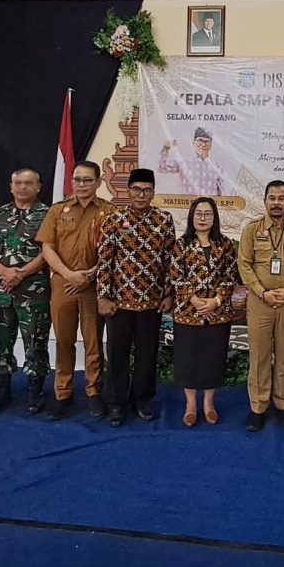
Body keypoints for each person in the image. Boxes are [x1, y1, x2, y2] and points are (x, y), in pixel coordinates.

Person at [96, 168, 175, 427]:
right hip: (119, 302)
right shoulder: (114, 219)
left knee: (146, 354)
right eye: (137, 189)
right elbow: (105, 260)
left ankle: (142, 399)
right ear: (128, 191)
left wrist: (168, 294)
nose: (142, 195)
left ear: (153, 192)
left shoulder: (164, 219)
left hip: (151, 303)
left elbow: (169, 261)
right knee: (117, 354)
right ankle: (116, 403)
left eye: (147, 190)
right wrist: (103, 296)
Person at [38, 160, 114, 420]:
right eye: (77, 179)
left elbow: (115, 249)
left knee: (93, 341)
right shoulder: (58, 210)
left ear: (98, 182)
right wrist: (69, 274)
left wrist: (90, 274)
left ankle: (94, 392)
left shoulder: (109, 212)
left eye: (87, 180)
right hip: (63, 284)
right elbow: (47, 247)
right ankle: (63, 393)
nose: (81, 185)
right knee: (63, 341)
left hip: (95, 286)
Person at [237, 180, 284, 432]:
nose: (277, 202)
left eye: (282, 198)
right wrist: (262, 292)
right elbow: (244, 264)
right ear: (265, 201)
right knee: (259, 355)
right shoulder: (251, 230)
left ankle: (283, 403)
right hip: (260, 302)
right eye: (272, 197)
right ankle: (258, 407)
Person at [0, 168, 51, 416]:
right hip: (0, 291)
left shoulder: (48, 215)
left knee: (35, 343)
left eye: (28, 183)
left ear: (38, 187)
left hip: (33, 291)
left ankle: (35, 393)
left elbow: (49, 252)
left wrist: (21, 273)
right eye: (18, 183)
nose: (22, 187)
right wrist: (3, 271)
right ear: (11, 186)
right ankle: (0, 392)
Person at [167, 197, 237, 427]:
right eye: (199, 214)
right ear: (191, 217)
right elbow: (176, 275)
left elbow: (230, 275)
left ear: (214, 217)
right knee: (189, 359)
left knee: (212, 359)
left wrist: (216, 301)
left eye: (207, 214)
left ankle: (208, 403)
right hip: (188, 313)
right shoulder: (181, 244)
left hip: (217, 314)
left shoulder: (225, 244)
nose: (203, 218)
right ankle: (190, 405)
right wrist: (195, 300)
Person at [158, 127, 226, 196]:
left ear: (211, 145)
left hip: (210, 205)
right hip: (189, 205)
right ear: (194, 142)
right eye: (200, 140)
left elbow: (221, 191)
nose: (203, 144)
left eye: (206, 141)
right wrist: (165, 149)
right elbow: (162, 167)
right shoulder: (184, 162)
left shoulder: (217, 165)